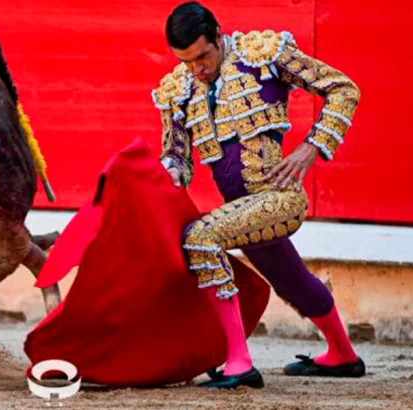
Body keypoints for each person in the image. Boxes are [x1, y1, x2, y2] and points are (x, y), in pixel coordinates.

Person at [152, 2, 365, 389]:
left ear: (219, 36)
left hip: (280, 197)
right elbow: (177, 154)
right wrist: (169, 172)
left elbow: (342, 89)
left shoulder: (263, 55)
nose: (197, 69)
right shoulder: (178, 89)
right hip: (240, 209)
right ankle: (343, 355)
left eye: (202, 56)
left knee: (200, 238)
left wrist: (311, 146)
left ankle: (239, 363)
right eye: (186, 62)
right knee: (291, 279)